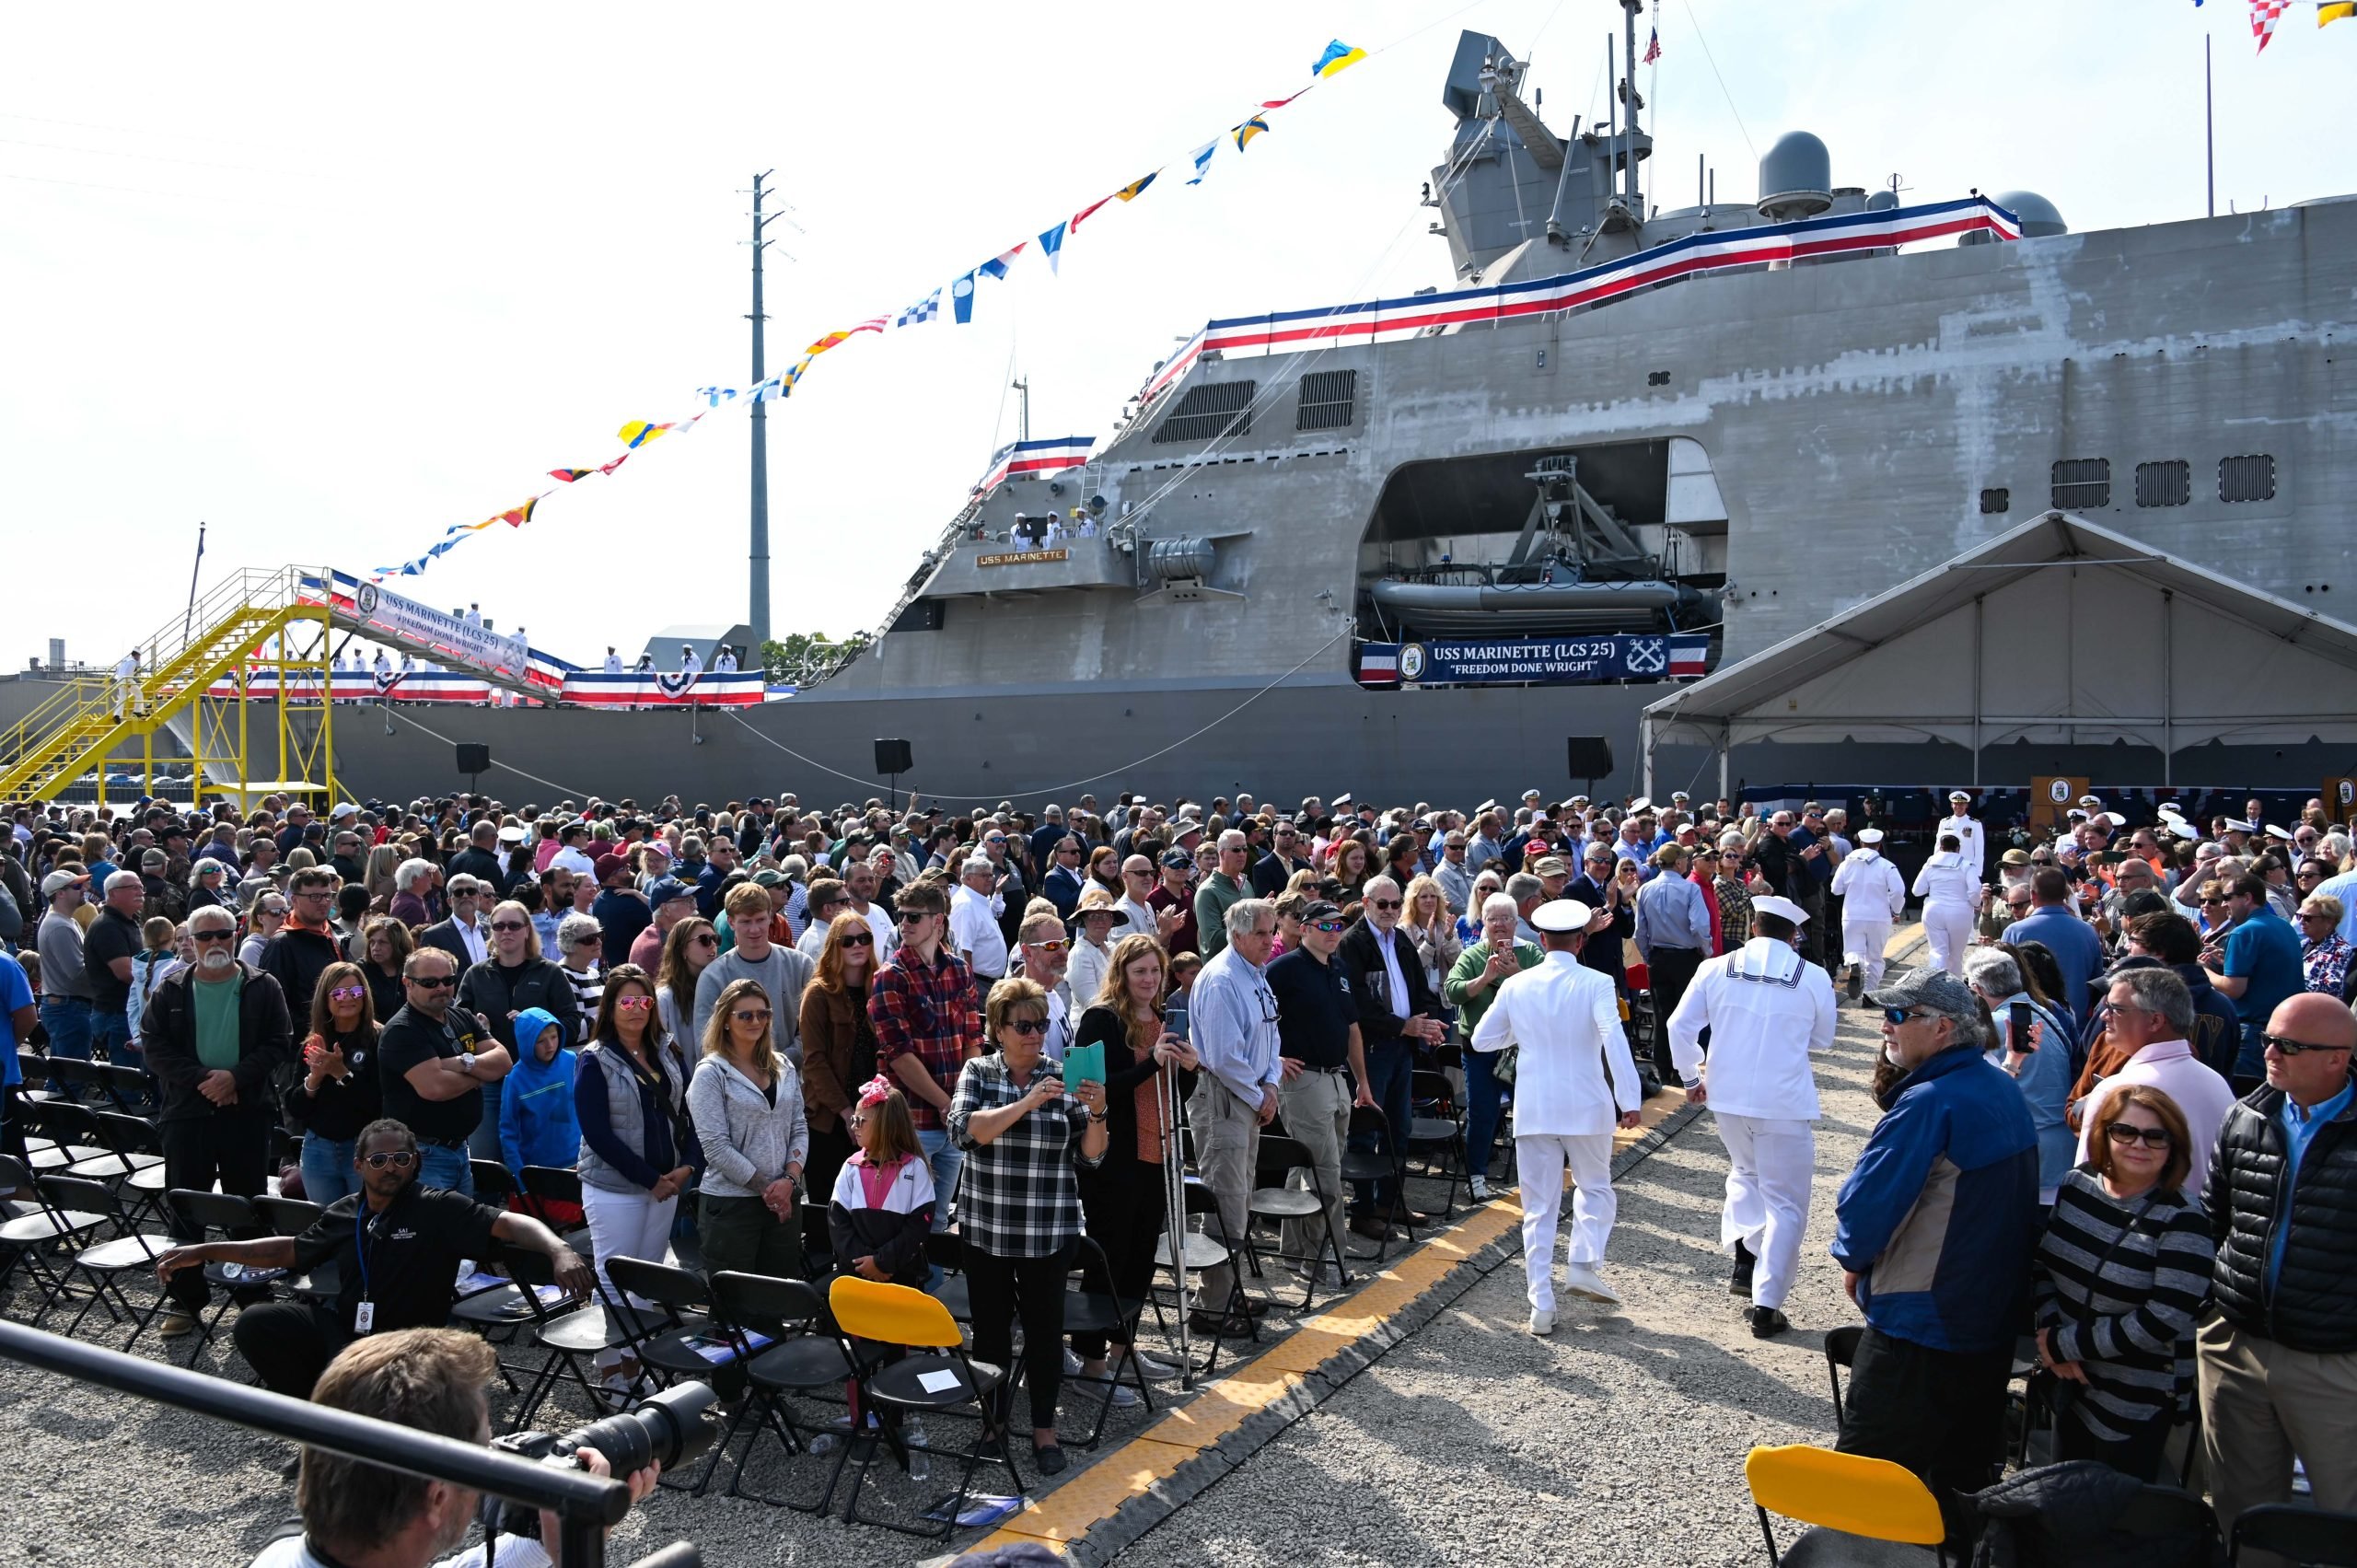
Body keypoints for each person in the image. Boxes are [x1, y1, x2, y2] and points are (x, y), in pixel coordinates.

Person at [158, 1120, 593, 1400]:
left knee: (367, 1383)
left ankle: (339, 1431)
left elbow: (511, 1225)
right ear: (360, 1164)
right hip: (349, 1327)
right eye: (379, 1159)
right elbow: (287, 1251)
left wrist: (560, 1249)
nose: (391, 1168)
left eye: (401, 1159)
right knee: (258, 1322)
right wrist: (203, 1250)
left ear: (415, 1163)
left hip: (412, 1340)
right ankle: (319, 1423)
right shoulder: (347, 1210)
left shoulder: (439, 1207)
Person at [1831, 968, 2038, 1538]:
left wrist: (1855, 1261)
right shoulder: (1998, 1085)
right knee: (1958, 1486)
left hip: (1920, 1320)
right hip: (1985, 1319)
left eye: (1899, 1016)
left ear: (1943, 1027)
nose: (1885, 1028)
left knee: (1863, 1484)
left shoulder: (1929, 1101)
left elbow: (1867, 1204)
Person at [2198, 992, 2357, 1541]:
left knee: (2344, 1514)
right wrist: (2211, 1310)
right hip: (2236, 1347)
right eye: (2268, 1038)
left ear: (2338, 1058)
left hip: (2333, 1360)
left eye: (2289, 1044)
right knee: (2242, 1514)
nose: (2270, 1052)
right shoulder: (2246, 1115)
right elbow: (2214, 1217)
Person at [945, 977, 1111, 1478]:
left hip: (1047, 1229)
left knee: (1043, 1334)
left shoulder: (1063, 1076)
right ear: (998, 1029)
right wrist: (1027, 1103)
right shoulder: (978, 1071)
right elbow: (964, 1132)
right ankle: (992, 1424)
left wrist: (1099, 1110)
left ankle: (1044, 1430)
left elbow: (1094, 1156)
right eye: (1024, 1025)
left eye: (1040, 1024)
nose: (1036, 1034)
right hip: (987, 1229)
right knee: (991, 1334)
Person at [1469, 899, 1645, 1330]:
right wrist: (1630, 1097)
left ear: (1542, 940)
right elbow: (1614, 1040)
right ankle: (1583, 1262)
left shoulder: (1517, 985)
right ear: (1582, 940)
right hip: (1587, 1104)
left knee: (1538, 1209)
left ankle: (1541, 1306)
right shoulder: (1596, 981)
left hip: (1535, 1106)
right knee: (1596, 1187)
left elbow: (1480, 1041)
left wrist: (1522, 1032)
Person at [1667, 895, 1837, 1338]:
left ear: (1753, 924)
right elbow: (1823, 1039)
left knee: (1745, 1173)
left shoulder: (1716, 967)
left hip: (1726, 1095)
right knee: (1785, 1202)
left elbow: (1677, 1027)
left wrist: (1690, 1076)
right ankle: (1767, 1300)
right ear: (1793, 933)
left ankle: (1745, 1258)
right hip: (1782, 1101)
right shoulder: (1813, 976)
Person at [2031, 1085, 2215, 1481]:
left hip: (2135, 1401)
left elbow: (2164, 1318)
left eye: (2156, 1136)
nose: (2139, 1144)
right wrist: (2051, 1335)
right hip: (2071, 1387)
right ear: (2104, 1134)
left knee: (2119, 1527)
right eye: (2125, 1131)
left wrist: (2067, 1344)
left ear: (2174, 1146)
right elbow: (2044, 1267)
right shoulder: (2077, 1186)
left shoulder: (2183, 1218)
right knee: (2063, 1509)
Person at [142, 903, 294, 1337]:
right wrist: (206, 1081)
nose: (214, 944)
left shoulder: (263, 986)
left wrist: (235, 1079)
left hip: (246, 1113)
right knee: (186, 1210)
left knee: (246, 1206)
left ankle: (252, 1298)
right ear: (189, 940)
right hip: (187, 1113)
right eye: (204, 936)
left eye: (222, 934)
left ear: (236, 933)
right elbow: (155, 1048)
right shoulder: (170, 989)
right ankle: (186, 1303)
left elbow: (278, 1042)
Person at [1072, 934, 1199, 1390]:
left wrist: (1187, 1069)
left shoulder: (1166, 1020)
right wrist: (1152, 1063)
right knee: (1110, 1256)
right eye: (1140, 971)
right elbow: (1087, 1089)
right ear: (1121, 974)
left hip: (1158, 1154)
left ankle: (1124, 1350)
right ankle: (1090, 1361)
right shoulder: (1100, 1018)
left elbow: (1174, 1097)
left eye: (1155, 971)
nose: (1149, 979)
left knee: (1143, 1256)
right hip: (1112, 1156)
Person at [575, 963, 698, 1342]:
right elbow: (596, 1133)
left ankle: (636, 1361)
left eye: (644, 999)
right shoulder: (593, 1059)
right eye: (626, 1000)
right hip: (615, 1188)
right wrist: (649, 1180)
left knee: (648, 1277)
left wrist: (689, 1167)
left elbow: (690, 1112)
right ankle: (613, 1369)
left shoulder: (668, 1049)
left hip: (667, 1184)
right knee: (614, 1280)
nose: (636, 1007)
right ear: (610, 1007)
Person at [1186, 899, 1283, 1331]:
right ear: (1239, 935)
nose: (1270, 941)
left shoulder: (1254, 973)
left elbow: (1273, 1033)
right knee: (1225, 1200)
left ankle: (1227, 1293)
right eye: (1262, 934)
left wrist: (1272, 1085)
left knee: (1240, 1197)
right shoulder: (1223, 978)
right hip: (1225, 1097)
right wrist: (1258, 1094)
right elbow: (1224, 1056)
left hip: (1247, 1095)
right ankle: (1211, 1306)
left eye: (1271, 932)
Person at [1265, 900, 1375, 1278]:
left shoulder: (1339, 967)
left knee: (1308, 1168)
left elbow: (1352, 1028)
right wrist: (1272, 1060)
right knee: (1324, 1174)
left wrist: (1362, 1082)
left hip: (1337, 1078)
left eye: (1338, 926)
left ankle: (1295, 1252)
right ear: (1305, 928)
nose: (1333, 933)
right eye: (1325, 926)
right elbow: (1255, 1020)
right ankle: (1329, 1261)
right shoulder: (1283, 969)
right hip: (1303, 1080)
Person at [868, 879, 984, 1231]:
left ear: (939, 921)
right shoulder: (889, 976)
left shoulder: (959, 969)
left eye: (914, 917)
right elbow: (898, 1055)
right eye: (901, 916)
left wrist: (962, 1100)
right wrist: (947, 1103)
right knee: (898, 1221)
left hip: (952, 1120)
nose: (904, 923)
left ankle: (930, 1288)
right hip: (910, 1121)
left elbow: (972, 1039)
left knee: (935, 1223)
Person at [1338, 875, 1447, 1232]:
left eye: (1395, 904)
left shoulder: (1399, 937)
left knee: (1399, 1128)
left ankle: (1390, 1202)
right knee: (1366, 1130)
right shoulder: (1352, 943)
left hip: (1400, 1048)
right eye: (1382, 904)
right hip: (1371, 1048)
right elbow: (1357, 1003)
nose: (1389, 911)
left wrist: (1427, 1023)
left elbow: (1417, 987)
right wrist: (1402, 1026)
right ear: (1366, 904)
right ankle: (1363, 1209)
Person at [2072, 967, 2236, 1202]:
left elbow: (2088, 1188)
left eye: (2115, 1009)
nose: (2103, 1016)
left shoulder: (2117, 1091)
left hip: (2137, 1234)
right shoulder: (2216, 1083)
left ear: (2155, 1020)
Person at [688, 972, 808, 1279]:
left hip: (784, 1198)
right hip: (732, 1207)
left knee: (778, 1296)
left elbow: (798, 1126)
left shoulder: (784, 1066)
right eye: (746, 1015)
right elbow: (715, 1147)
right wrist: (767, 1188)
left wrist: (790, 1181)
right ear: (726, 1019)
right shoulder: (711, 1074)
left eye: (763, 1013)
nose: (756, 1020)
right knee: (738, 1305)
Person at [376, 947, 511, 1195]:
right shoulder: (403, 1029)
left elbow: (503, 1062)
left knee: (458, 1229)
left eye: (448, 980)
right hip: (423, 1155)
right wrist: (479, 1074)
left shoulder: (462, 1016)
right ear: (408, 984)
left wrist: (460, 1063)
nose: (442, 988)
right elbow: (435, 1088)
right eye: (429, 982)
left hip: (459, 1149)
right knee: (434, 1230)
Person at [455, 899, 579, 1162]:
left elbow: (571, 1022)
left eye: (514, 925)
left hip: (541, 1083)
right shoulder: (476, 975)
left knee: (541, 1160)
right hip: (490, 1081)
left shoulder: (550, 972)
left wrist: (536, 1023)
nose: (506, 931)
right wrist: (478, 1030)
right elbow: (456, 1025)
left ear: (527, 930)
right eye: (499, 926)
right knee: (486, 1159)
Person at [1445, 892, 1542, 1202]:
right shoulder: (1472, 956)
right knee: (1482, 1113)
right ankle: (1475, 1175)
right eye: (1493, 918)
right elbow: (1452, 991)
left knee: (1531, 1111)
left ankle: (1539, 1172)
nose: (1499, 924)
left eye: (1506, 918)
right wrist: (1485, 978)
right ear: (1483, 923)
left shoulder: (1532, 953)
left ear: (1516, 922)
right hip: (1480, 1050)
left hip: (1522, 1049)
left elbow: (1547, 991)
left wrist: (1515, 973)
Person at [1965, 947, 2077, 1208]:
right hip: (2062, 1140)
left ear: (1978, 989)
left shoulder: (1995, 1026)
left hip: (2027, 1146)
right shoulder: (2049, 1014)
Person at [285, 960, 386, 1207]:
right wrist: (316, 1078)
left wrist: (342, 1073)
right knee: (327, 1226)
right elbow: (296, 1109)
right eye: (339, 992)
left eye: (356, 992)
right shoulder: (315, 1043)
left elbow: (378, 1104)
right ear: (325, 998)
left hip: (365, 1148)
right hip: (318, 1149)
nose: (348, 998)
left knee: (365, 1223)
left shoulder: (380, 1039)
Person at [797, 910, 879, 1205]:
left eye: (864, 938)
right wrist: (847, 1113)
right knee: (828, 1205)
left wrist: (871, 1114)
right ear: (834, 946)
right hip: (830, 1118)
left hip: (874, 1115)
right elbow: (814, 1062)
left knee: (867, 1204)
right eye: (848, 941)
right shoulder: (818, 993)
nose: (857, 945)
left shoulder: (879, 988)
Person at [2204, 872, 2306, 1097]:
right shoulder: (2283, 926)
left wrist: (2203, 970)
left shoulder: (2243, 932)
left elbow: (2234, 988)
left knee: (2248, 1105)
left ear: (2247, 897)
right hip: (2284, 1034)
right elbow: (2269, 968)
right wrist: (2228, 958)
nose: (2224, 904)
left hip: (2253, 1038)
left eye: (2228, 897)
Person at [829, 1077, 935, 1287]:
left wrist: (882, 1262)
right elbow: (837, 1223)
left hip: (902, 1276)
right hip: (855, 1274)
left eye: (860, 1121)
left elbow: (918, 1226)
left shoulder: (916, 1168)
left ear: (887, 1125)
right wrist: (866, 1264)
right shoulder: (850, 1167)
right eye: (853, 1120)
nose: (853, 1126)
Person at [691, 880, 813, 1063]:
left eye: (761, 920)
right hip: (735, 1081)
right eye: (746, 922)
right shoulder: (713, 976)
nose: (754, 929)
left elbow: (814, 1029)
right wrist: (749, 1068)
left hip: (793, 1078)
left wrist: (782, 1062)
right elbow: (706, 1043)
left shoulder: (801, 965)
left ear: (771, 917)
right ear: (731, 922)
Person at [1634, 844, 1712, 1082]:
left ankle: (1664, 1068)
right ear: (1678, 863)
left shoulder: (1645, 889)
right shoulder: (1690, 889)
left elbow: (1640, 932)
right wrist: (1706, 951)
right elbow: (1699, 926)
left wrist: (1649, 956)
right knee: (1686, 1016)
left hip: (1659, 957)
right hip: (1686, 957)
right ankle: (1683, 1070)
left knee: (1661, 1014)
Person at [2003, 869, 2105, 1024]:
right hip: (2078, 1026)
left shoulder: (2015, 931)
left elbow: (2003, 981)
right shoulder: (2088, 931)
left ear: (2033, 895)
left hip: (2029, 1027)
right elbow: (2097, 981)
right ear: (2065, 894)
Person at [495, 1005, 580, 1187]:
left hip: (579, 1164)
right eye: (541, 1041)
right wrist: (520, 1180)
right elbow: (508, 1133)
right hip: (539, 1172)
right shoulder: (515, 1079)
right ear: (526, 1041)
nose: (550, 1045)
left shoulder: (572, 1060)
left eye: (554, 1037)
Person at [34, 869, 95, 1090]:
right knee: (71, 1082)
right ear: (60, 894)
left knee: (63, 1079)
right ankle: (59, 1125)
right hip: (68, 1008)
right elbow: (77, 974)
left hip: (65, 1006)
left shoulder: (65, 922)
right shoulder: (59, 925)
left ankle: (55, 1124)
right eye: (77, 887)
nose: (84, 890)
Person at [1830, 827, 1906, 1002]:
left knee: (1852, 950)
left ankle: (1855, 964)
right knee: (1875, 957)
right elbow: (1898, 891)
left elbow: (1835, 889)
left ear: (1861, 843)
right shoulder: (1887, 866)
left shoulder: (1847, 863)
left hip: (1852, 915)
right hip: (1879, 916)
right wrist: (1895, 910)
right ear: (1878, 845)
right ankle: (1869, 994)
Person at [83, 869, 145, 1072]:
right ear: (112, 894)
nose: (140, 891)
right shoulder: (108, 926)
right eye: (133, 887)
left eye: (141, 887)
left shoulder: (127, 921)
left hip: (125, 1012)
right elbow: (126, 973)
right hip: (118, 1015)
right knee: (128, 1085)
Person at [1910, 834, 1980, 980]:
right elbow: (1974, 890)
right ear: (1958, 849)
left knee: (1937, 951)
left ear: (1940, 847)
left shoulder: (1929, 863)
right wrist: (1976, 903)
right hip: (1959, 912)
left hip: (1933, 910)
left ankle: (1936, 986)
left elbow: (1917, 891)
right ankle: (1954, 991)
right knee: (1955, 955)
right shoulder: (1967, 865)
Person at [653, 913, 717, 1046]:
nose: (713, 945)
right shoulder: (664, 999)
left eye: (715, 939)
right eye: (704, 940)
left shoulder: (720, 987)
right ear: (683, 949)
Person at [950, 854, 1010, 995]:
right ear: (968, 878)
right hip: (977, 985)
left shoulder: (979, 899)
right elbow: (963, 952)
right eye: (985, 875)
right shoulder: (965, 905)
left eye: (991, 875)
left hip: (988, 984)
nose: (990, 879)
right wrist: (969, 988)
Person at [357, 915, 413, 1024]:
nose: (375, 948)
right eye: (372, 942)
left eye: (382, 942)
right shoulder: (362, 970)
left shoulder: (412, 968)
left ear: (398, 944)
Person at [2298, 892, 2351, 994]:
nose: (2301, 921)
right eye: (2299, 916)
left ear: (2329, 922)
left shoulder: (2340, 951)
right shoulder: (2302, 944)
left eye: (2307, 918)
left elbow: (2331, 989)